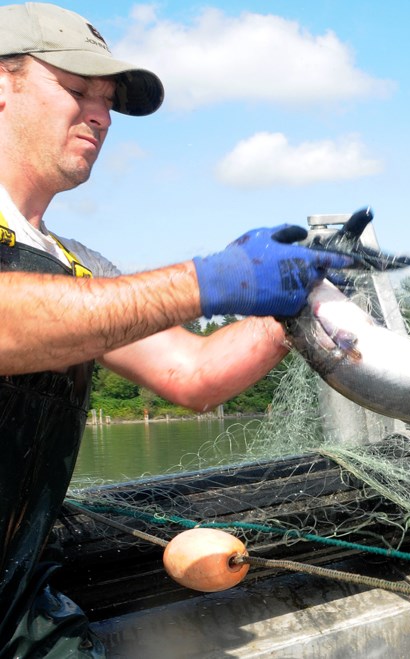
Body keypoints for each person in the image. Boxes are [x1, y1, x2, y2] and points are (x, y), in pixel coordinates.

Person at [0, 3, 355, 655]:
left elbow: (193, 374)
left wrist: (296, 303)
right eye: (77, 90)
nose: (100, 116)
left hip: (15, 610)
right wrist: (206, 279)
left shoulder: (75, 265)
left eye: (106, 101)